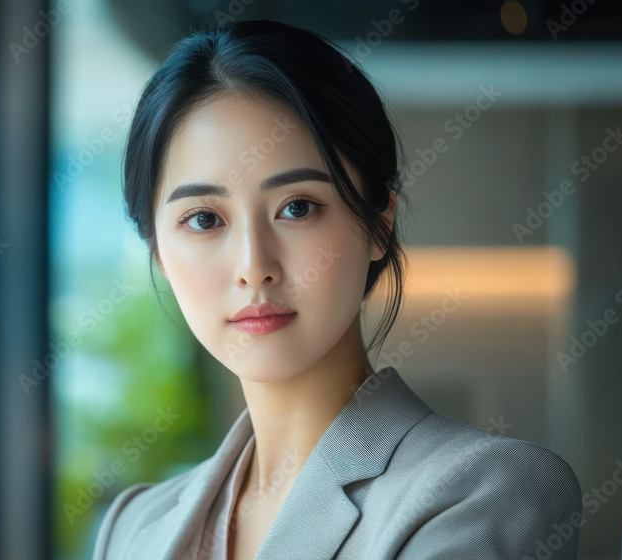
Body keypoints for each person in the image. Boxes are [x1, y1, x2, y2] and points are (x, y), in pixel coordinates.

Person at [92, 18, 582, 560]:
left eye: (297, 208)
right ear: (158, 251)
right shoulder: (134, 527)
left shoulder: (485, 494)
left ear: (379, 224)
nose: (255, 267)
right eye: (205, 219)